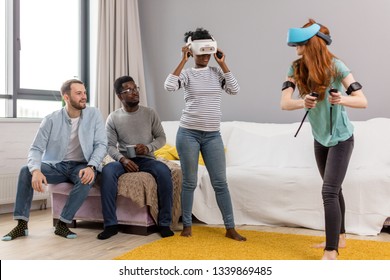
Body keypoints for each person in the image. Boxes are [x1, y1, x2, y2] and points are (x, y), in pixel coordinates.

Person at [281, 19, 367, 260]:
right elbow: (284, 103)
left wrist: (342, 99)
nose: (295, 47)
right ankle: (340, 237)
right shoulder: (295, 67)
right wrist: (302, 102)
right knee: (334, 188)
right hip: (320, 138)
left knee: (328, 191)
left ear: (313, 42)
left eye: (300, 42)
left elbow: (362, 100)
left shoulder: (337, 66)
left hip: (341, 138)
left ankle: (331, 251)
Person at [164, 27, 246, 241]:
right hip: (188, 134)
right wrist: (182, 60)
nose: (205, 57)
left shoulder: (216, 73)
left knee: (221, 183)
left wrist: (223, 63)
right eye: (201, 52)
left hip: (212, 136)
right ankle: (187, 226)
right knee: (189, 182)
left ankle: (230, 228)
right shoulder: (187, 74)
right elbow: (169, 86)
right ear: (192, 51)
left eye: (208, 52)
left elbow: (235, 89)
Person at [2, 79, 108, 241]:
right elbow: (36, 149)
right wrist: (36, 170)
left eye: (84, 92)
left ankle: (62, 224)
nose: (83, 96)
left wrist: (91, 166)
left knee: (88, 178)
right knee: (26, 171)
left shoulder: (94, 114)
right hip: (56, 166)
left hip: (81, 165)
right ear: (66, 97)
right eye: (78, 93)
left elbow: (101, 144)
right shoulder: (51, 119)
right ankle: (21, 225)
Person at [97, 75, 174, 240]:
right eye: (129, 90)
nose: (135, 93)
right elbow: (109, 146)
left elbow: (161, 138)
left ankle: (164, 223)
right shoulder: (113, 118)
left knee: (164, 172)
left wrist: (147, 147)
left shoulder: (149, 113)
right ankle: (110, 224)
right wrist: (122, 159)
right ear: (120, 96)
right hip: (123, 160)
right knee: (107, 172)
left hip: (147, 159)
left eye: (135, 89)